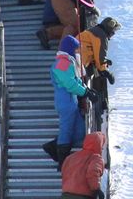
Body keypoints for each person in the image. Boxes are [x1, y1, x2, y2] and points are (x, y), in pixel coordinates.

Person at [43, 35, 97, 169]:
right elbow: (70, 83)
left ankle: (53, 147)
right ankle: (62, 162)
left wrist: (87, 90)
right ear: (70, 49)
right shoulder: (62, 63)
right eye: (76, 49)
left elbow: (76, 81)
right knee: (66, 130)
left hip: (71, 102)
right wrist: (86, 93)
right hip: (65, 102)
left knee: (79, 131)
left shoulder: (68, 62)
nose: (78, 52)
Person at [79, 17, 119, 124]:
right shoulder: (101, 35)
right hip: (79, 62)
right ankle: (81, 110)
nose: (113, 34)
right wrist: (105, 71)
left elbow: (94, 52)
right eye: (113, 31)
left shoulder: (93, 31)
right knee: (81, 88)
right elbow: (100, 57)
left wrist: (104, 62)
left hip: (77, 59)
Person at [60, 131, 106, 199]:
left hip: (66, 195)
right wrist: (96, 189)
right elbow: (93, 172)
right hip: (83, 195)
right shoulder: (96, 158)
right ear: (99, 144)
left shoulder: (70, 157)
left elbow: (64, 172)